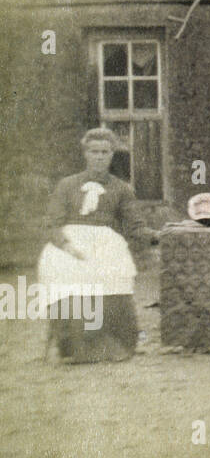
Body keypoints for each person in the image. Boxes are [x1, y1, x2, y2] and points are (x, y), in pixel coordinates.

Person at [37, 128, 159, 363]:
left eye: (105, 152)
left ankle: (112, 347)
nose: (99, 156)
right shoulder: (67, 185)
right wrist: (66, 246)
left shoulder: (122, 189)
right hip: (69, 241)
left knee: (113, 270)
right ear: (85, 153)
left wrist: (157, 236)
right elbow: (51, 223)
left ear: (112, 154)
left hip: (106, 244)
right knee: (65, 271)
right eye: (94, 151)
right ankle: (71, 347)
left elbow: (135, 226)